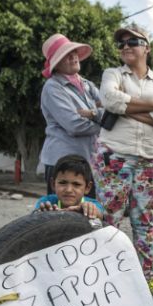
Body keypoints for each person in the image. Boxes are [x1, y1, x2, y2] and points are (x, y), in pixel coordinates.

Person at [95, 24, 153, 305]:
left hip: (151, 160)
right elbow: (108, 99)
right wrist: (151, 104)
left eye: (133, 41)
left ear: (147, 47)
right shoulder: (112, 74)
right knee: (109, 220)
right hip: (116, 156)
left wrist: (130, 110)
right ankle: (105, 283)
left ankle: (146, 282)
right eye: (121, 44)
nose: (126, 47)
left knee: (145, 222)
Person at [39, 33, 104, 196]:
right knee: (62, 217)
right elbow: (74, 125)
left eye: (74, 52)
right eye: (66, 55)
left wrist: (92, 113)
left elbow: (112, 109)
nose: (73, 57)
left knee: (89, 214)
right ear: (56, 64)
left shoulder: (87, 85)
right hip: (62, 163)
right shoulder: (53, 87)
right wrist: (105, 123)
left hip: (88, 162)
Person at [34, 154, 104, 220]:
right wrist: (42, 215)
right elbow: (33, 219)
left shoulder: (92, 205)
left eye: (76, 184)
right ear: (53, 184)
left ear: (87, 188)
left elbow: (101, 216)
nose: (68, 190)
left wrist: (92, 212)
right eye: (62, 183)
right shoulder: (46, 202)